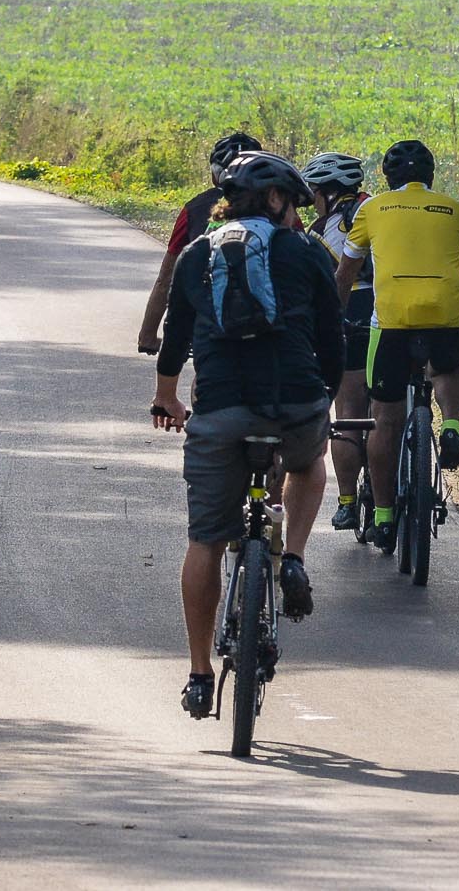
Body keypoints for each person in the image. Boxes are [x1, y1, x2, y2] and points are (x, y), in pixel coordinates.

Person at [151, 151, 344, 720]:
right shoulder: (307, 251)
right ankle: (296, 557)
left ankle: (198, 673)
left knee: (205, 539)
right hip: (296, 403)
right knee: (311, 463)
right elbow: (332, 339)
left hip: (221, 411)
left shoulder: (198, 253)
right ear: (280, 201)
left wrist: (167, 396)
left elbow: (176, 337)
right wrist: (321, 399)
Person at [332, 139, 459, 554]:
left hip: (391, 322)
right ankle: (450, 426)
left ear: (387, 179)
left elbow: (345, 273)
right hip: (446, 316)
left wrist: (334, 318)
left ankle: (386, 516)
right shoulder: (457, 210)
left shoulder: (371, 210)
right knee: (446, 369)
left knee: (385, 416)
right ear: (431, 176)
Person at [137, 131, 262, 354]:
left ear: (215, 176)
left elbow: (167, 277)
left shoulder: (194, 209)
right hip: (271, 318)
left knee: (207, 379)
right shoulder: (281, 207)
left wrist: (148, 335)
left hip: (209, 316)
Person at [303, 151, 375, 530]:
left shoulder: (325, 229)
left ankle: (347, 502)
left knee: (349, 411)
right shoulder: (379, 210)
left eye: (313, 192)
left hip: (354, 307)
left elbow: (324, 284)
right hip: (396, 308)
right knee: (388, 408)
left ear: (327, 192)